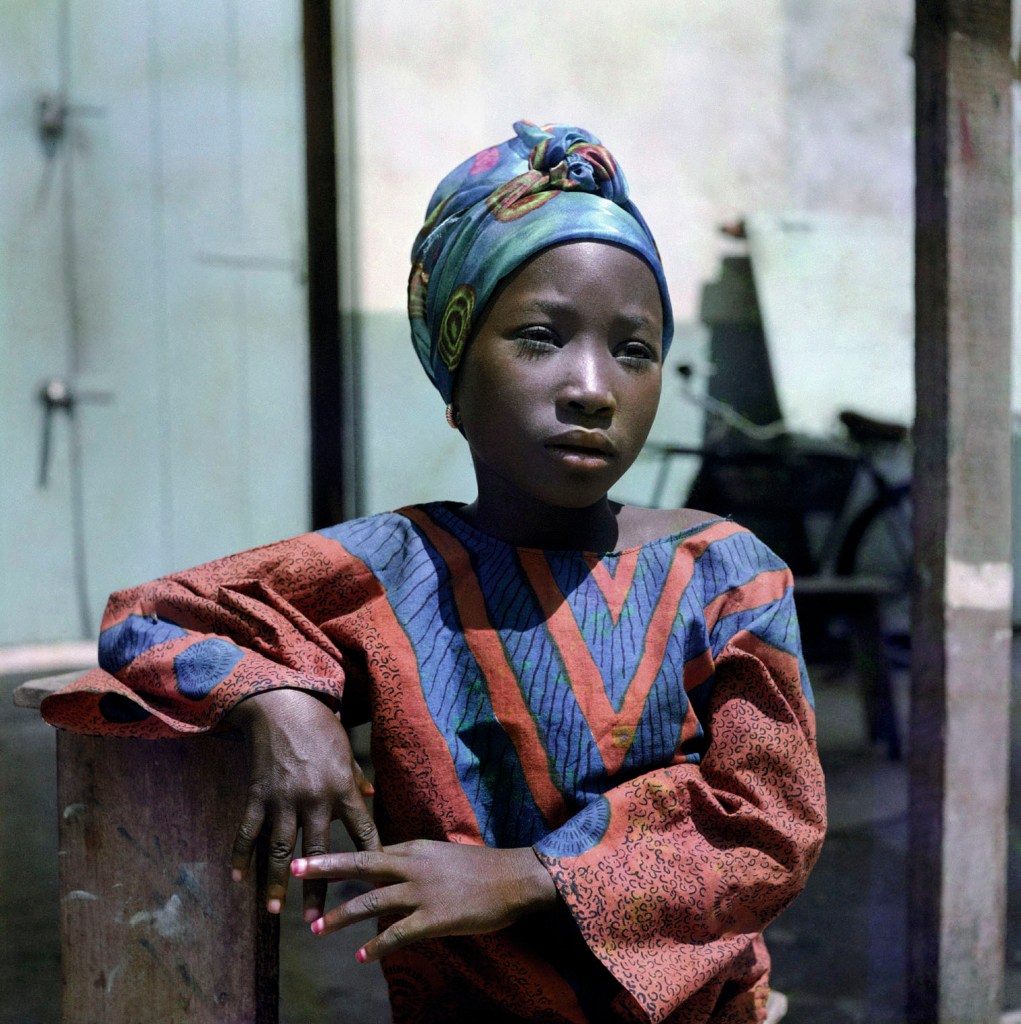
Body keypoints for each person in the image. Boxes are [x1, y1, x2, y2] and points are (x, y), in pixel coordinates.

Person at [42, 121, 826, 1024]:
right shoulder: (390, 569)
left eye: (633, 349)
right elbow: (147, 619)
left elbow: (770, 826)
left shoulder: (725, 577)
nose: (591, 385)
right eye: (539, 336)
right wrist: (276, 699)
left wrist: (524, 875)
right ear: (453, 371)